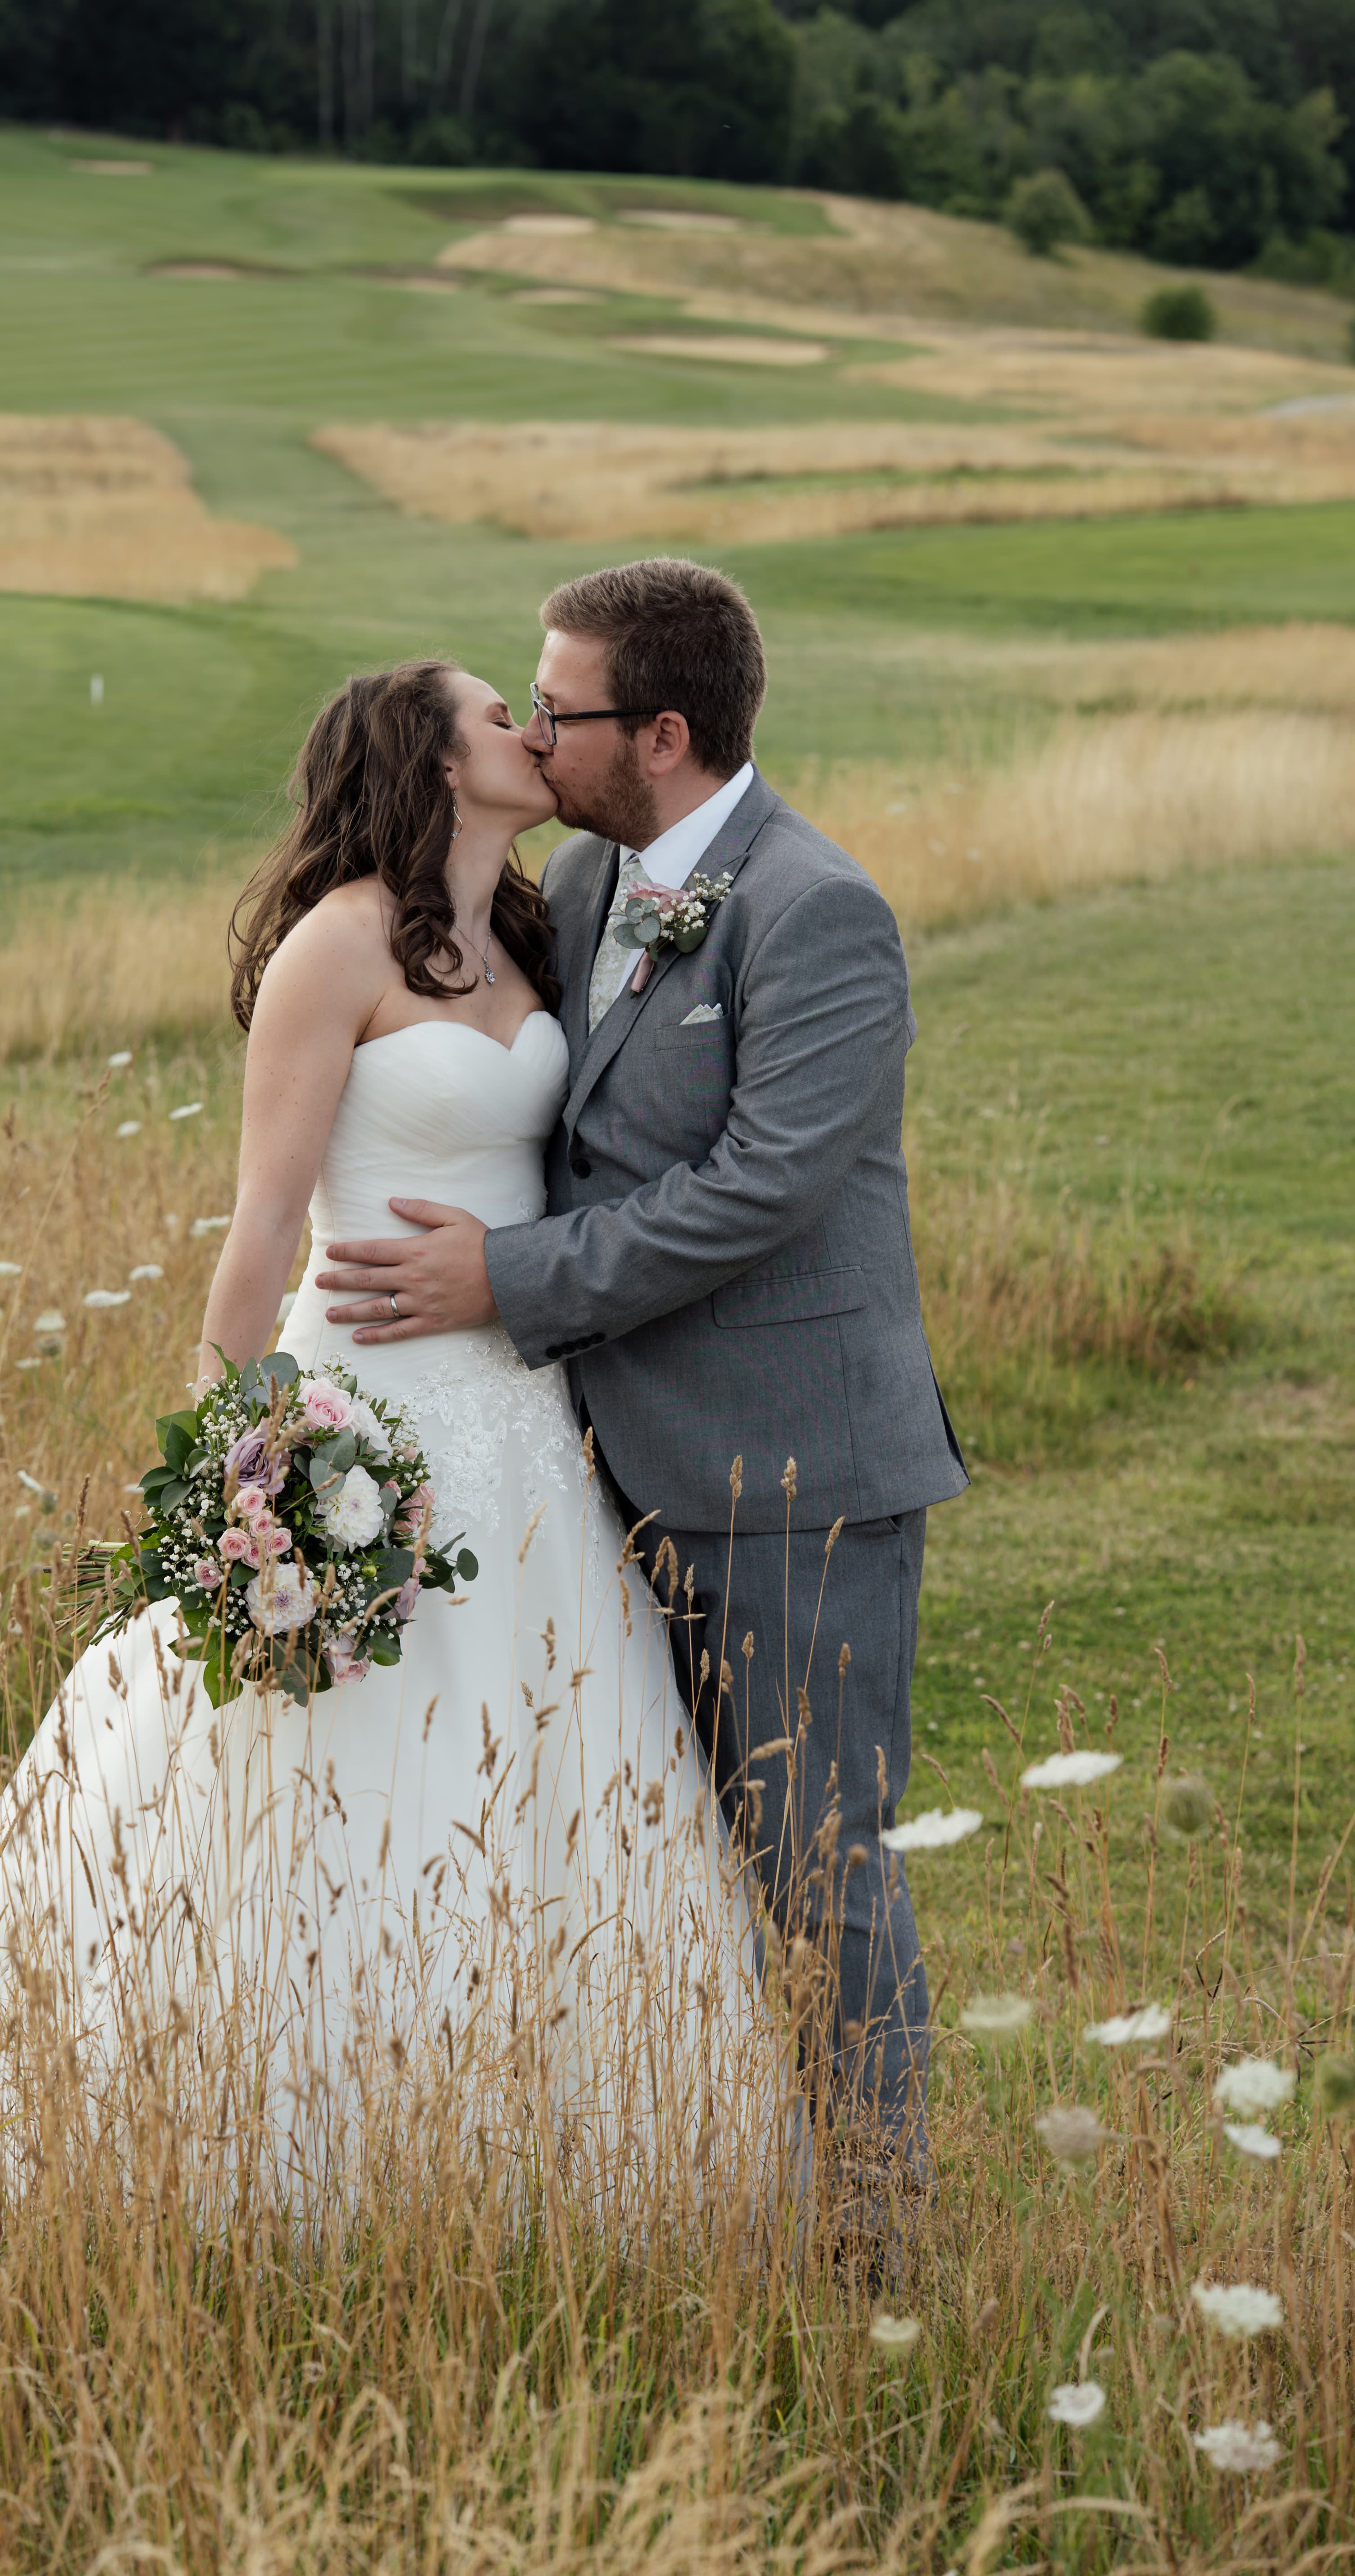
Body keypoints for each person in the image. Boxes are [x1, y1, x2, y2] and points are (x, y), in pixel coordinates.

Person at [0, 659, 776, 2223]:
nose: (529, 729)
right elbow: (260, 1228)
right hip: (366, 1418)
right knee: (294, 1791)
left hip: (526, 1433)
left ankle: (535, 2150)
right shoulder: (338, 947)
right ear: (433, 762)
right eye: (492, 712)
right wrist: (234, 1469)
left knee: (550, 1765)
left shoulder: (541, 928)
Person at [315, 561, 967, 2213]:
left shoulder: (817, 910)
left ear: (660, 732)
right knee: (655, 1860)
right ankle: (680, 2182)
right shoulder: (598, 889)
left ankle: (883, 2234)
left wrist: (503, 1282)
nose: (536, 728)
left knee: (816, 1862)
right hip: (598, 1475)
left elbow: (762, 1188)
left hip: (794, 1479)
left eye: (563, 706)